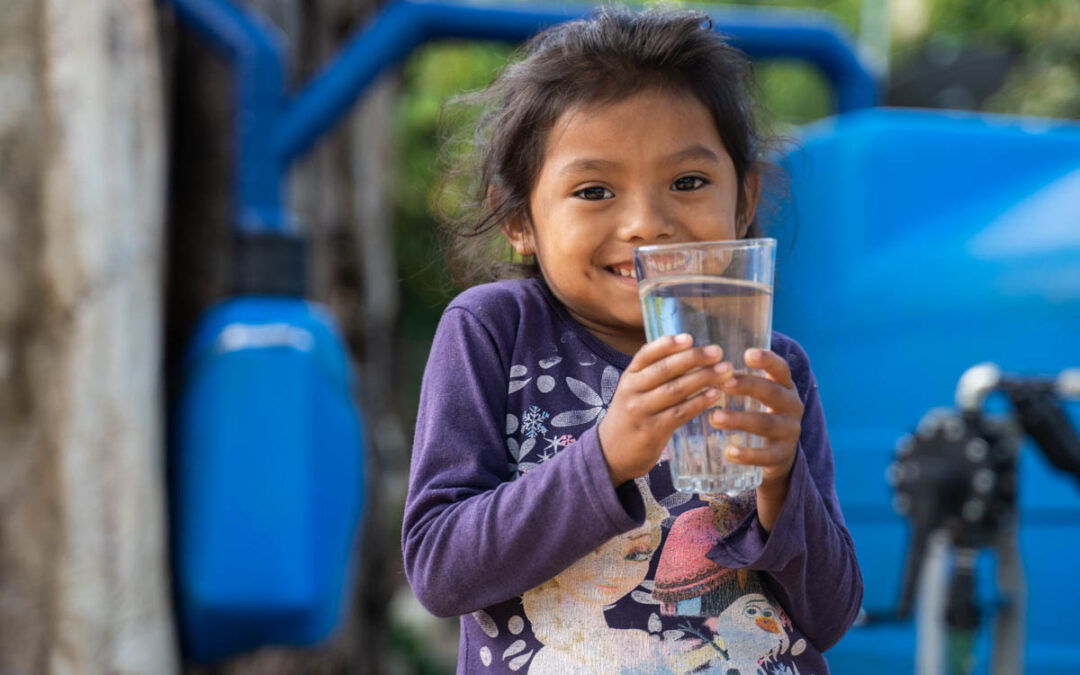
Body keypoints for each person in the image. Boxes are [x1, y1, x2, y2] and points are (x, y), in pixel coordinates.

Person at [402, 6, 863, 674]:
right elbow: (441, 568)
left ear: (743, 200)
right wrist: (606, 456)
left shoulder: (775, 363)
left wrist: (781, 479)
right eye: (594, 190)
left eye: (688, 182)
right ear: (518, 219)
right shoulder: (495, 332)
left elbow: (832, 613)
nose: (647, 223)